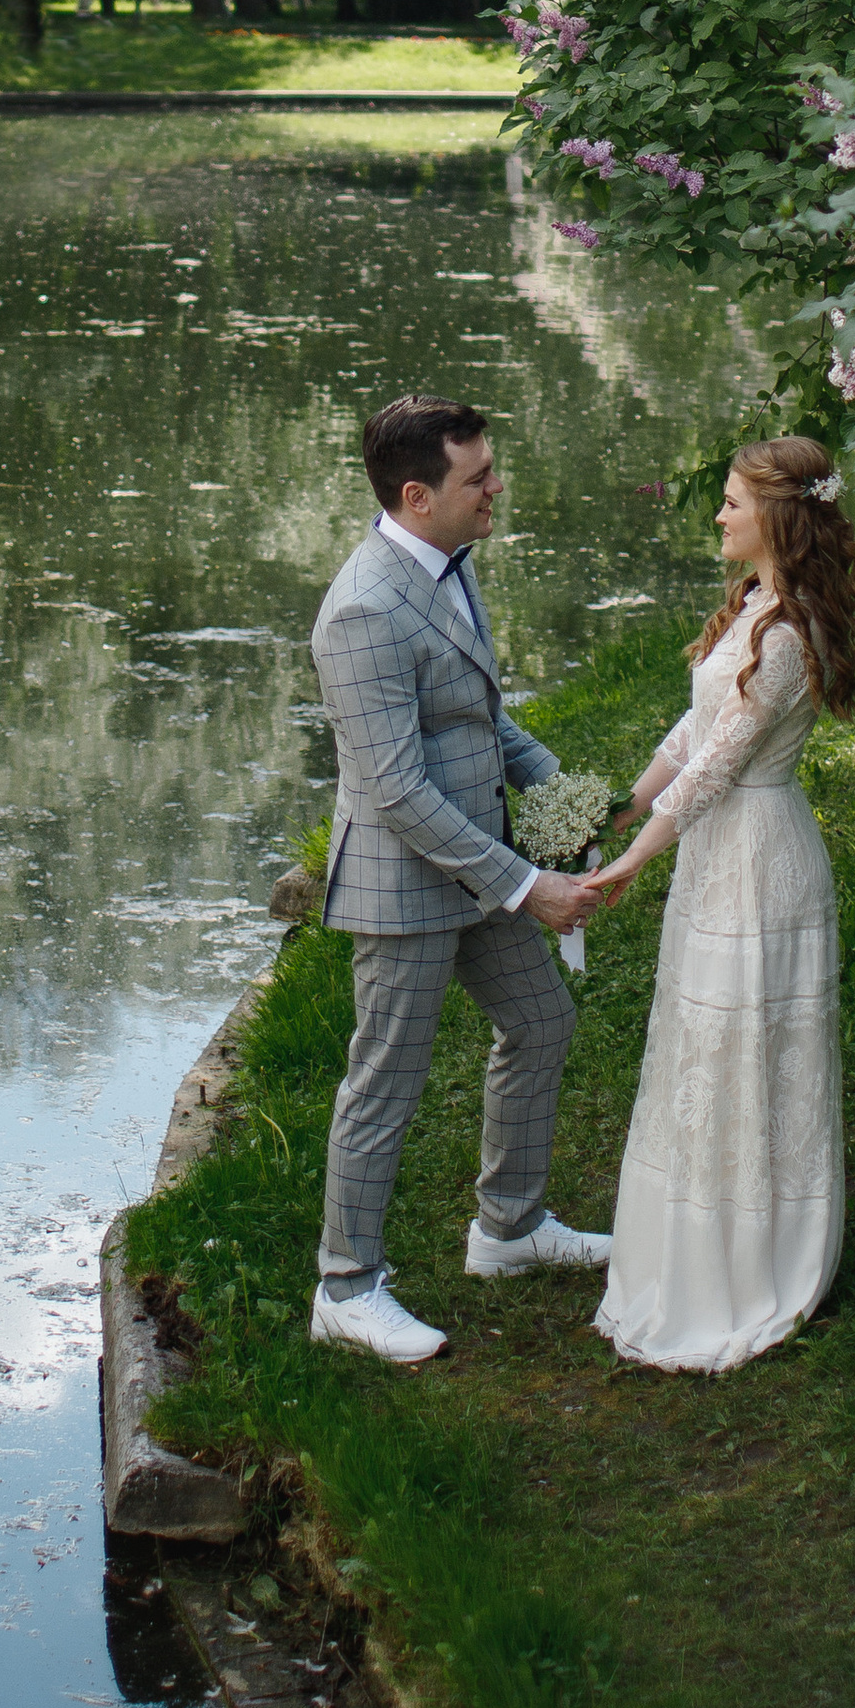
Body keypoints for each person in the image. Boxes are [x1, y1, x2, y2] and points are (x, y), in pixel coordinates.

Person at [309, 396, 611, 1367]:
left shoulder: (444, 565)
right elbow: (395, 789)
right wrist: (528, 886)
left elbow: (477, 717)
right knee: (382, 1086)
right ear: (415, 495)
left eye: (489, 469)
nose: (494, 487)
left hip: (476, 858)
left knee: (541, 1021)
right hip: (405, 884)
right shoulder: (362, 609)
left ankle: (509, 1231)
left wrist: (565, 794)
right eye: (477, 477)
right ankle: (345, 1288)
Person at [587, 437, 855, 1372]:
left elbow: (717, 769)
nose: (719, 515)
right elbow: (689, 734)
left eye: (734, 502)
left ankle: (751, 1262)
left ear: (779, 515)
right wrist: (620, 802)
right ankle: (685, 1245)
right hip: (717, 855)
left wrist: (631, 858)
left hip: (756, 859)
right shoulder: (751, 607)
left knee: (748, 1050)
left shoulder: (786, 637)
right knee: (701, 1047)